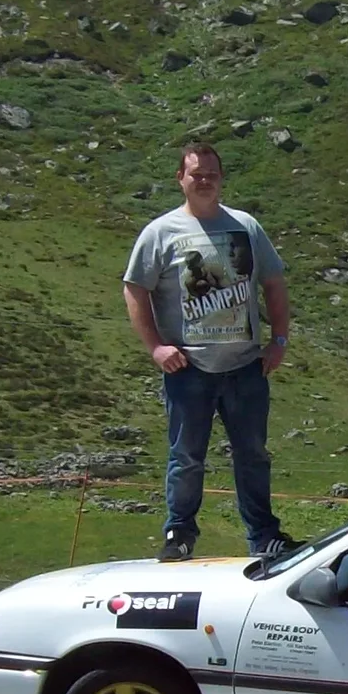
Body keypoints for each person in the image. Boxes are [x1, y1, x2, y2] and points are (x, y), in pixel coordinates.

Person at [123, 142, 298, 562]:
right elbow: (135, 288)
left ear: (222, 179)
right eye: (196, 173)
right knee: (186, 457)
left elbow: (273, 283)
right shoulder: (160, 233)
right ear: (180, 179)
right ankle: (179, 533)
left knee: (253, 454)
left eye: (211, 174)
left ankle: (263, 536)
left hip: (245, 366)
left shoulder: (247, 227)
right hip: (189, 368)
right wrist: (156, 348)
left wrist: (279, 340)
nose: (204, 180)